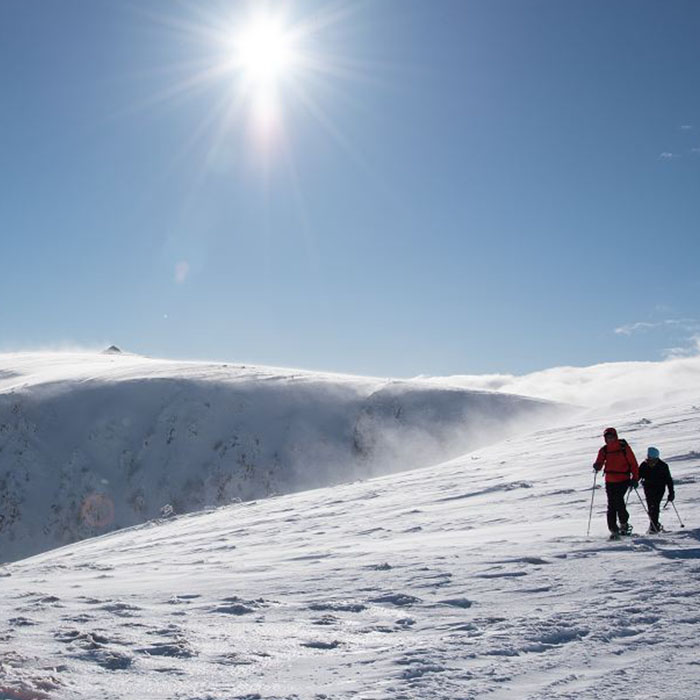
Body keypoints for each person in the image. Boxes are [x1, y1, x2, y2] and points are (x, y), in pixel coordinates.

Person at [592, 427, 640, 539]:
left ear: (615, 436)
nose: (609, 439)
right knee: (612, 506)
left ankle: (623, 524)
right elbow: (599, 461)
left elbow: (633, 463)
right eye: (607, 437)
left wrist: (635, 478)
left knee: (617, 501)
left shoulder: (624, 447)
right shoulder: (604, 450)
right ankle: (614, 529)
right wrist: (597, 465)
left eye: (611, 437)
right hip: (610, 481)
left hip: (623, 479)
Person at [639, 446, 675, 533]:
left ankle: (653, 527)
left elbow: (668, 480)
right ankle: (655, 525)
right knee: (650, 507)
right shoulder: (644, 465)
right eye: (649, 459)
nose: (650, 461)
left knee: (655, 506)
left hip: (659, 489)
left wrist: (671, 492)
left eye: (652, 459)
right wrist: (633, 481)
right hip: (648, 489)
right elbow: (638, 475)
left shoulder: (663, 466)